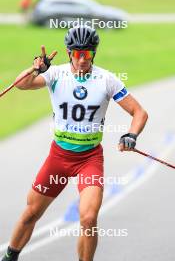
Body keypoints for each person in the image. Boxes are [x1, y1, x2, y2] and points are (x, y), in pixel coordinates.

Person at [1, 26, 148, 261]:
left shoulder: (106, 80)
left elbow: (139, 112)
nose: (82, 60)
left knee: (89, 218)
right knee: (31, 213)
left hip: (89, 159)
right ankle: (10, 256)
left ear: (94, 54)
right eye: (77, 54)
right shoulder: (55, 74)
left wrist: (131, 135)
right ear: (69, 53)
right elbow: (21, 84)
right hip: (59, 157)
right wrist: (35, 69)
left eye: (87, 54)